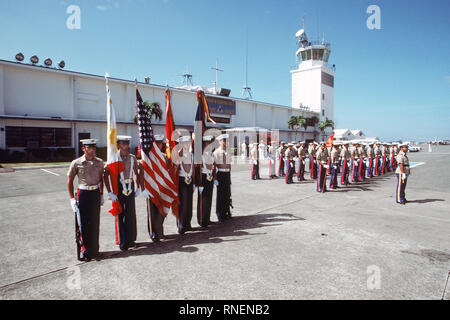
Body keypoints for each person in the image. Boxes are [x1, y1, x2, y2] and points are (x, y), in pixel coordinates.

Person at [67, 139, 104, 262]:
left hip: (94, 193)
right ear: (84, 148)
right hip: (83, 193)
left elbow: (101, 179)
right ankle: (85, 251)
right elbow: (70, 181)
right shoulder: (76, 163)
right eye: (89, 147)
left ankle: (95, 250)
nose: (92, 150)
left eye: (94, 147)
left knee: (95, 222)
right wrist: (72, 199)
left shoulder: (99, 162)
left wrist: (101, 194)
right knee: (83, 224)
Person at [103, 136, 140, 251]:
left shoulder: (132, 158)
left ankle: (131, 240)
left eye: (127, 143)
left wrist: (138, 186)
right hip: (118, 188)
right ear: (118, 145)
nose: (126, 146)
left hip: (130, 187)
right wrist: (109, 192)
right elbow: (105, 174)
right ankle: (122, 241)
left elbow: (136, 172)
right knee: (120, 214)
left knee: (130, 214)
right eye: (123, 144)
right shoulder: (114, 158)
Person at [144, 134, 167, 242]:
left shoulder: (165, 157)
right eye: (157, 143)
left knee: (161, 211)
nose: (159, 146)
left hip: (162, 188)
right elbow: (143, 173)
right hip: (152, 188)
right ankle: (153, 233)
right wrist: (144, 188)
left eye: (160, 143)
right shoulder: (148, 156)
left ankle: (160, 231)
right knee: (152, 211)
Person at [172, 135, 194, 234]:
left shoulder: (191, 155)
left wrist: (193, 181)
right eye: (184, 143)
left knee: (189, 203)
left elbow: (192, 168)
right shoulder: (178, 155)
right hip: (181, 180)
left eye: (188, 143)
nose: (187, 145)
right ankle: (181, 224)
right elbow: (175, 170)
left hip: (189, 180)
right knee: (183, 204)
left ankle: (188, 223)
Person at [195, 135, 216, 228]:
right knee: (202, 200)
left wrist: (214, 177)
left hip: (210, 178)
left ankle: (207, 218)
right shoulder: (200, 155)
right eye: (207, 143)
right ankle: (201, 219)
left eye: (210, 143)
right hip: (203, 178)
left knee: (209, 199)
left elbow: (213, 167)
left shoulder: (211, 154)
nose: (209, 145)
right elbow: (197, 170)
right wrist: (199, 183)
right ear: (204, 144)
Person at [214, 134, 232, 222]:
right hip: (220, 174)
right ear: (219, 142)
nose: (225, 142)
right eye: (223, 141)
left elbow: (230, 164)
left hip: (227, 173)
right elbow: (214, 166)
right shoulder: (216, 152)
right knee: (220, 195)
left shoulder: (228, 151)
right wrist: (215, 178)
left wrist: (230, 176)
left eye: (225, 141)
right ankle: (219, 213)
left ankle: (226, 211)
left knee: (227, 194)